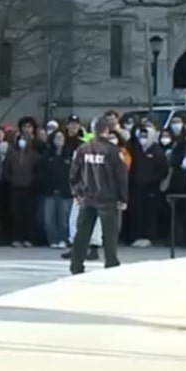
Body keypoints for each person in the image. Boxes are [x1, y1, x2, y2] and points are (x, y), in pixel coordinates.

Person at [68, 117, 128, 274]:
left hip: (87, 197)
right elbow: (121, 176)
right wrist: (123, 198)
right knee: (109, 235)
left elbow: (74, 174)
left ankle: (76, 264)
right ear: (107, 130)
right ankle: (111, 263)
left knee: (82, 233)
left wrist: (76, 192)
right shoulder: (113, 151)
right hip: (107, 198)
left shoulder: (82, 149)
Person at [127, 124, 168, 248]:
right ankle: (136, 236)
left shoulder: (157, 151)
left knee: (149, 213)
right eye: (141, 135)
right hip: (136, 187)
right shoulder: (136, 150)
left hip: (151, 188)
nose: (143, 138)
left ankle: (148, 237)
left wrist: (154, 181)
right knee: (136, 212)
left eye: (145, 136)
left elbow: (163, 169)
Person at [40, 130, 74, 249]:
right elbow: (42, 172)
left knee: (64, 218)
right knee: (49, 219)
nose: (59, 140)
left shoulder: (69, 154)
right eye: (57, 137)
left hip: (65, 192)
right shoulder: (47, 155)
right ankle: (52, 239)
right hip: (49, 191)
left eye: (61, 137)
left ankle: (63, 239)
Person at [4, 129, 39, 247]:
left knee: (28, 214)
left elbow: (37, 170)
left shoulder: (33, 154)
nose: (22, 141)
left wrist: (32, 180)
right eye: (20, 139)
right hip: (15, 187)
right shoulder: (11, 153)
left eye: (24, 139)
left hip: (29, 188)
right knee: (16, 213)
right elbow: (6, 169)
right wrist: (11, 179)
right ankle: (16, 237)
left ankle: (28, 238)